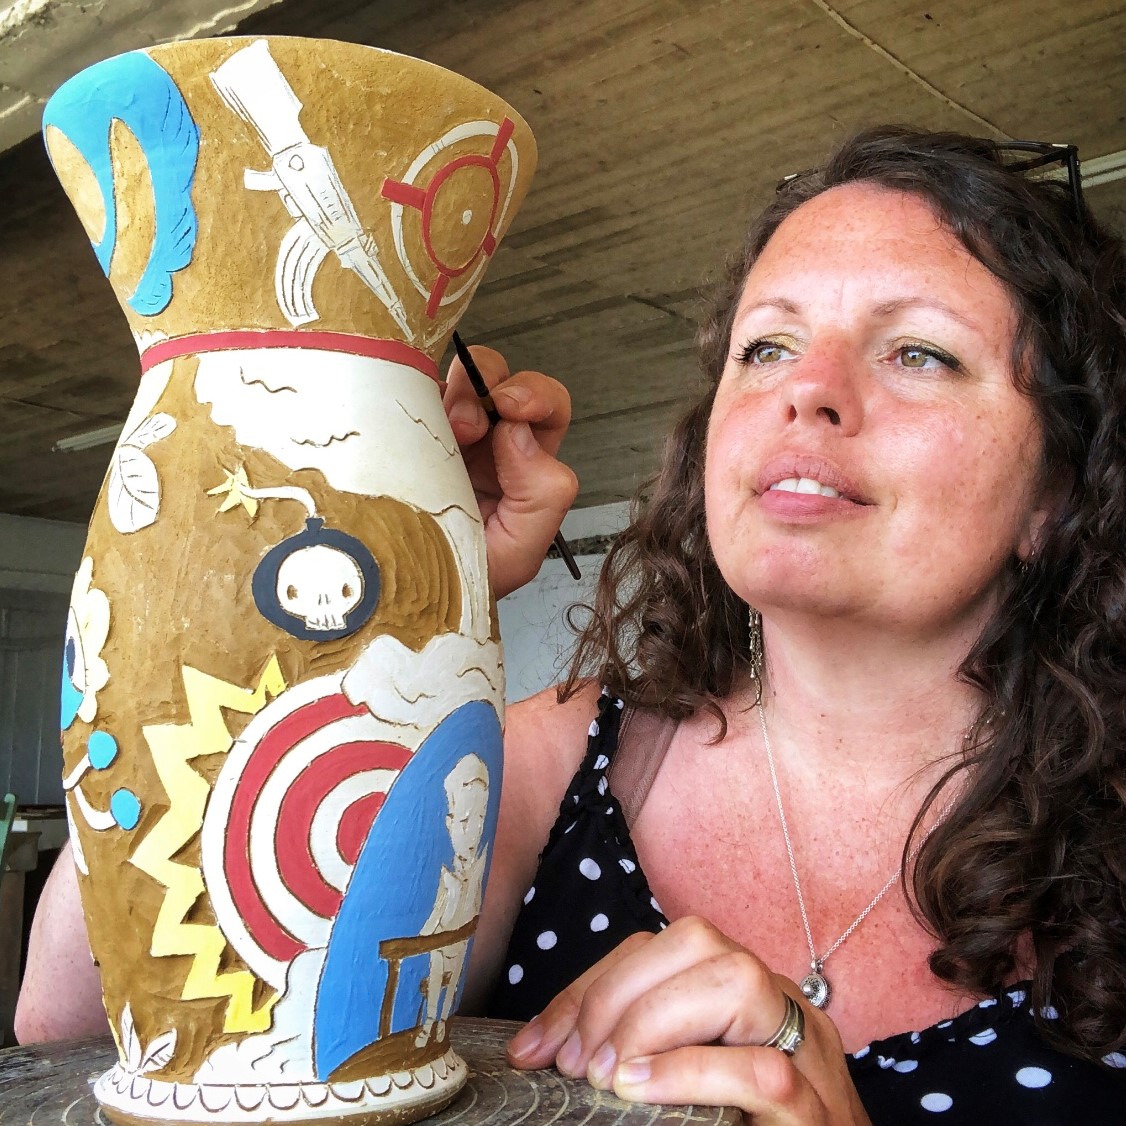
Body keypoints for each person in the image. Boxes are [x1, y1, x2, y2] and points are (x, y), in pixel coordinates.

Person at [17, 126, 1126, 1124]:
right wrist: (396, 575)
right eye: (768, 347)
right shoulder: (545, 764)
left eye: (917, 351)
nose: (808, 393)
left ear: (1053, 492)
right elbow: (92, 1019)